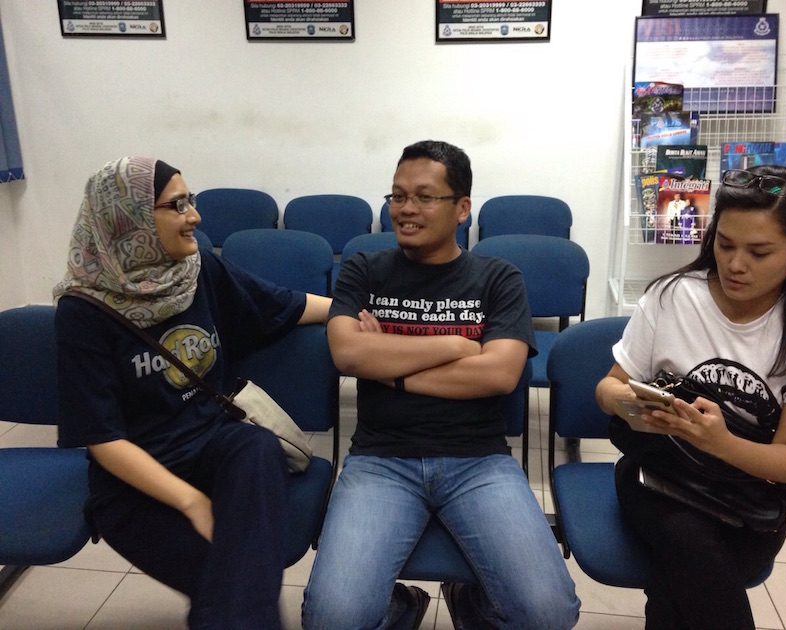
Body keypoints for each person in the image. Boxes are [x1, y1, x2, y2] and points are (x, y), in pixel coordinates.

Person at [302, 140, 580, 630]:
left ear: (462, 208)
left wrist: (386, 361)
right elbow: (347, 353)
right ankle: (402, 607)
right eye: (397, 196)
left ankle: (470, 603)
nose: (405, 209)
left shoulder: (498, 277)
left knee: (550, 615)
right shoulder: (364, 270)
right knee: (331, 620)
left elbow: (499, 374)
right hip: (380, 461)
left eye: (424, 197)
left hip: (479, 461)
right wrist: (453, 345)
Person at [53, 156, 331, 629]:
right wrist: (190, 501)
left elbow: (286, 305)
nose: (195, 216)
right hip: (138, 481)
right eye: (178, 204)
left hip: (217, 448)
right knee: (235, 583)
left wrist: (374, 313)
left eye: (192, 200)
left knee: (256, 446)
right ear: (130, 219)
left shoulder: (198, 273)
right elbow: (103, 440)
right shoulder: (84, 312)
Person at [595, 165, 786, 629]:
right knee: (685, 544)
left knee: (679, 579)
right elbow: (608, 386)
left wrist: (718, 441)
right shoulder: (672, 297)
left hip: (749, 499)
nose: (735, 264)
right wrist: (636, 406)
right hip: (657, 476)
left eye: (759, 251)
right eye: (724, 244)